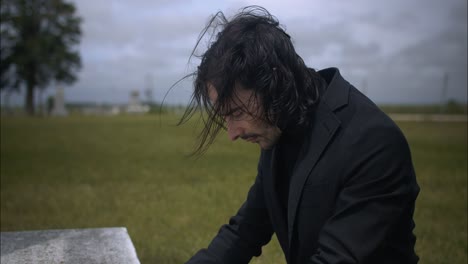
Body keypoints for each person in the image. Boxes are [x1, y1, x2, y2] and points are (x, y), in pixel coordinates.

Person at [180, 6, 420, 264]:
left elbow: (336, 259)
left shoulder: (373, 141)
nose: (232, 133)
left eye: (237, 112)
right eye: (225, 116)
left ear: (273, 84)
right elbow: (245, 231)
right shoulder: (279, 126)